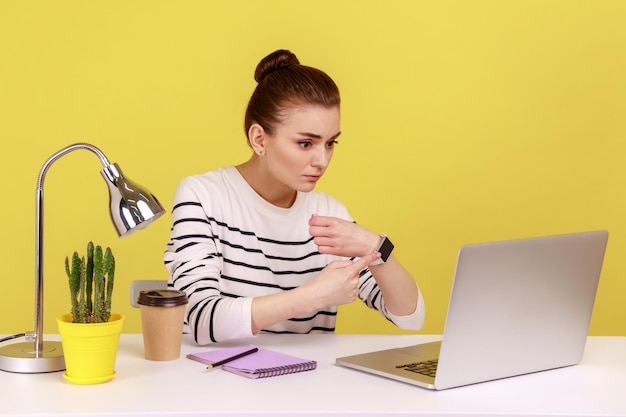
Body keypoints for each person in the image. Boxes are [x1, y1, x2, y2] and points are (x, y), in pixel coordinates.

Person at [164, 49, 425, 345]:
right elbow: (201, 318)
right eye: (305, 143)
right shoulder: (203, 196)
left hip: (301, 383)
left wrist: (377, 247)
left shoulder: (329, 213)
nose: (322, 160)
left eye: (330, 143)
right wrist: (314, 296)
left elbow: (409, 316)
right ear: (259, 139)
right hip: (213, 378)